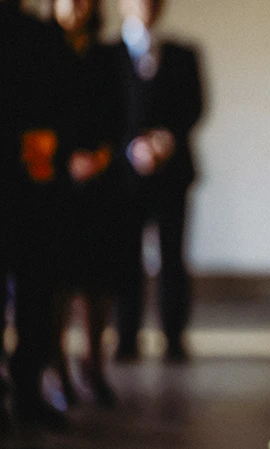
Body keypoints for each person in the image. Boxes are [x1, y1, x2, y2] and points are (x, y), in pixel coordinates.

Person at [112, 0, 203, 362]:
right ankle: (125, 338)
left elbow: (196, 105)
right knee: (124, 256)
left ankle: (174, 337)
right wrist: (130, 147)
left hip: (173, 172)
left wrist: (166, 141)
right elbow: (104, 109)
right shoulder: (109, 55)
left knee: (173, 256)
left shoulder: (183, 53)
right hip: (124, 173)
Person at [0, 0, 74, 429]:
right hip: (34, 186)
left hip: (33, 187)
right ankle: (27, 395)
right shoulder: (44, 36)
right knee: (34, 298)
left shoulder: (43, 37)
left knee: (35, 297)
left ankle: (24, 394)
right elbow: (62, 110)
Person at [53, 0, 124, 407]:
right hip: (55, 183)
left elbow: (121, 112)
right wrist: (67, 159)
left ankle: (94, 364)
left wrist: (100, 156)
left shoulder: (106, 54)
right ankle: (57, 368)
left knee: (98, 281)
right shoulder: (42, 50)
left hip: (101, 182)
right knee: (58, 284)